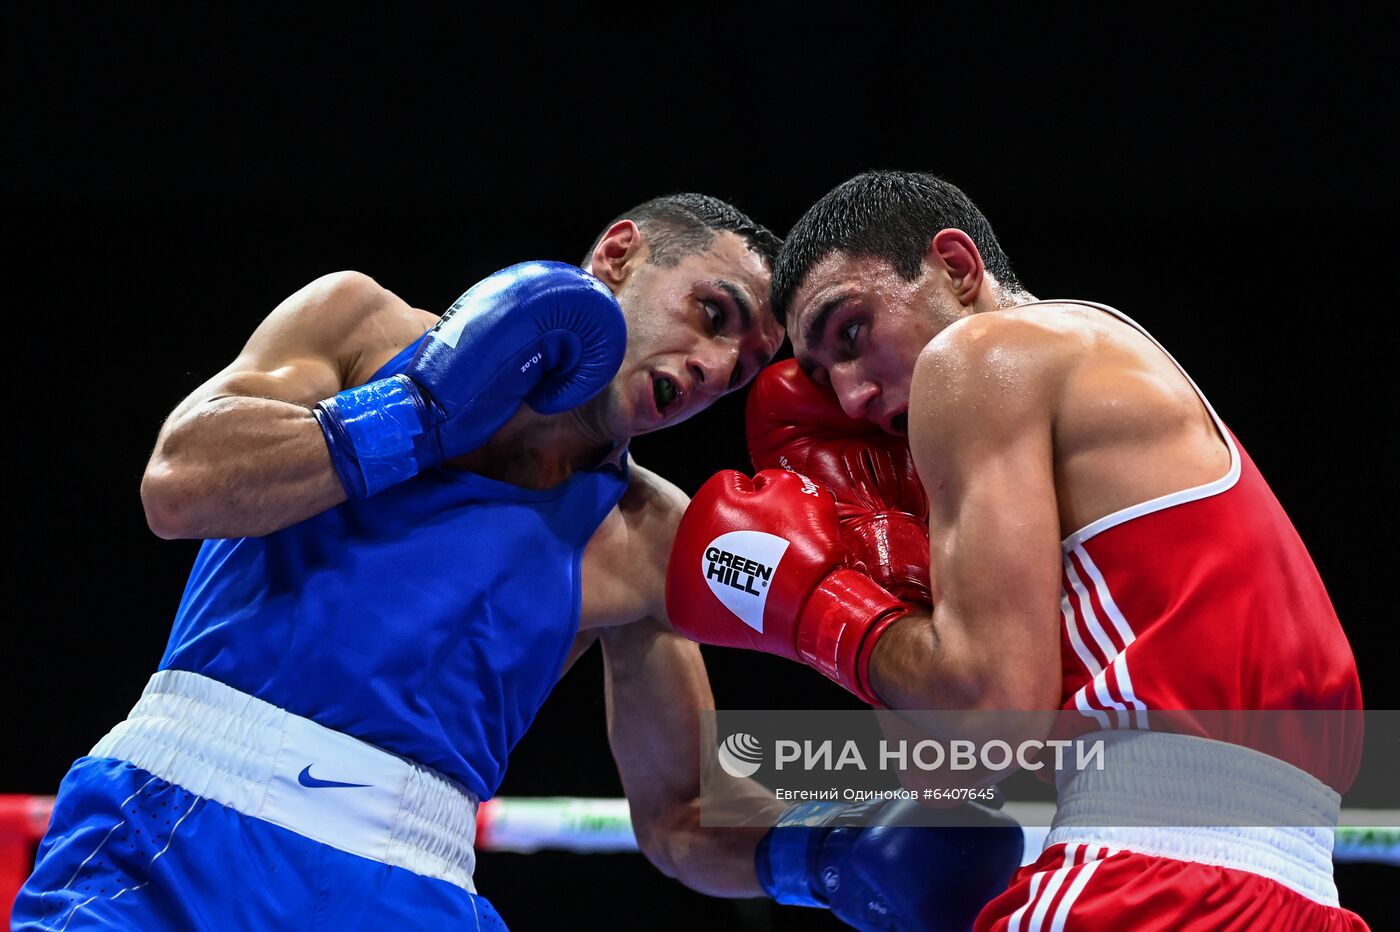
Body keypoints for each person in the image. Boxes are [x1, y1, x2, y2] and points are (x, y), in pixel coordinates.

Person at [14, 193, 1020, 931]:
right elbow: (179, 485)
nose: (714, 369)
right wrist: (423, 411)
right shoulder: (366, 328)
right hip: (166, 825)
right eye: (710, 315)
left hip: (401, 883)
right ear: (618, 255)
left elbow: (678, 819)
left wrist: (824, 852)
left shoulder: (651, 536)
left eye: (744, 367)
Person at [667, 171, 1367, 929]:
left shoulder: (977, 357)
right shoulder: (1097, 360)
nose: (850, 397)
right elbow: (955, 769)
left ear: (958, 268)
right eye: (822, 375)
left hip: (1144, 881)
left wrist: (818, 608)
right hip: (1299, 893)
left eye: (853, 332)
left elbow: (990, 717)